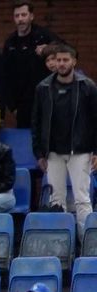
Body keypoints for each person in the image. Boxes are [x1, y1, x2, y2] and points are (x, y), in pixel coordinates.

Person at [32, 44, 97, 224]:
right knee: (56, 201)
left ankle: (86, 242)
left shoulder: (88, 87)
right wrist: (39, 153)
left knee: (82, 199)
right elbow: (36, 122)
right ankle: (60, 242)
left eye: (65, 60)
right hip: (52, 152)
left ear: (74, 62)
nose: (61, 63)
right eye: (58, 60)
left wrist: (96, 151)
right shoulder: (43, 88)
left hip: (80, 150)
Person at [1, 1, 54, 128]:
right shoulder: (10, 43)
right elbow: (4, 77)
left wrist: (49, 48)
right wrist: (12, 107)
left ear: (31, 16)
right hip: (22, 107)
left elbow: (70, 51)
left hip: (47, 101)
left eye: (23, 15)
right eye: (17, 16)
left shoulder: (43, 35)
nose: (20, 19)